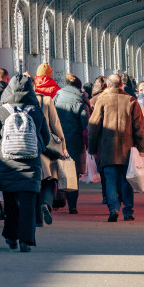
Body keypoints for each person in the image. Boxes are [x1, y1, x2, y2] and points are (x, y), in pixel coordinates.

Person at [0, 74, 50, 252]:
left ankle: (11, 236)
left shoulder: (2, 111)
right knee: (28, 204)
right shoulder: (36, 111)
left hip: (7, 162)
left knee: (10, 203)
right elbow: (46, 138)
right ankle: (26, 241)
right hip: (31, 163)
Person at [88, 74, 144, 222]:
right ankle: (128, 211)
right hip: (127, 151)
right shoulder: (131, 101)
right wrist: (142, 149)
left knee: (110, 180)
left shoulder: (102, 100)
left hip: (107, 149)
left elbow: (93, 127)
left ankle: (113, 208)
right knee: (126, 181)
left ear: (108, 85)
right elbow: (139, 127)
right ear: (121, 85)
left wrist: (92, 148)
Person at [34, 71, 69, 226]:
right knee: (49, 179)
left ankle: (36, 215)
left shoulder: (15, 102)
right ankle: (46, 204)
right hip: (46, 146)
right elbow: (56, 126)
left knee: (32, 181)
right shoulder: (46, 100)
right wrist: (63, 146)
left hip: (24, 146)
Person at [53, 73, 90, 214]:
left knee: (58, 170)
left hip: (58, 141)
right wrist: (88, 143)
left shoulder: (56, 97)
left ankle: (57, 199)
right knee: (73, 174)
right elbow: (85, 124)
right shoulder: (81, 100)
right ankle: (72, 205)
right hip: (75, 141)